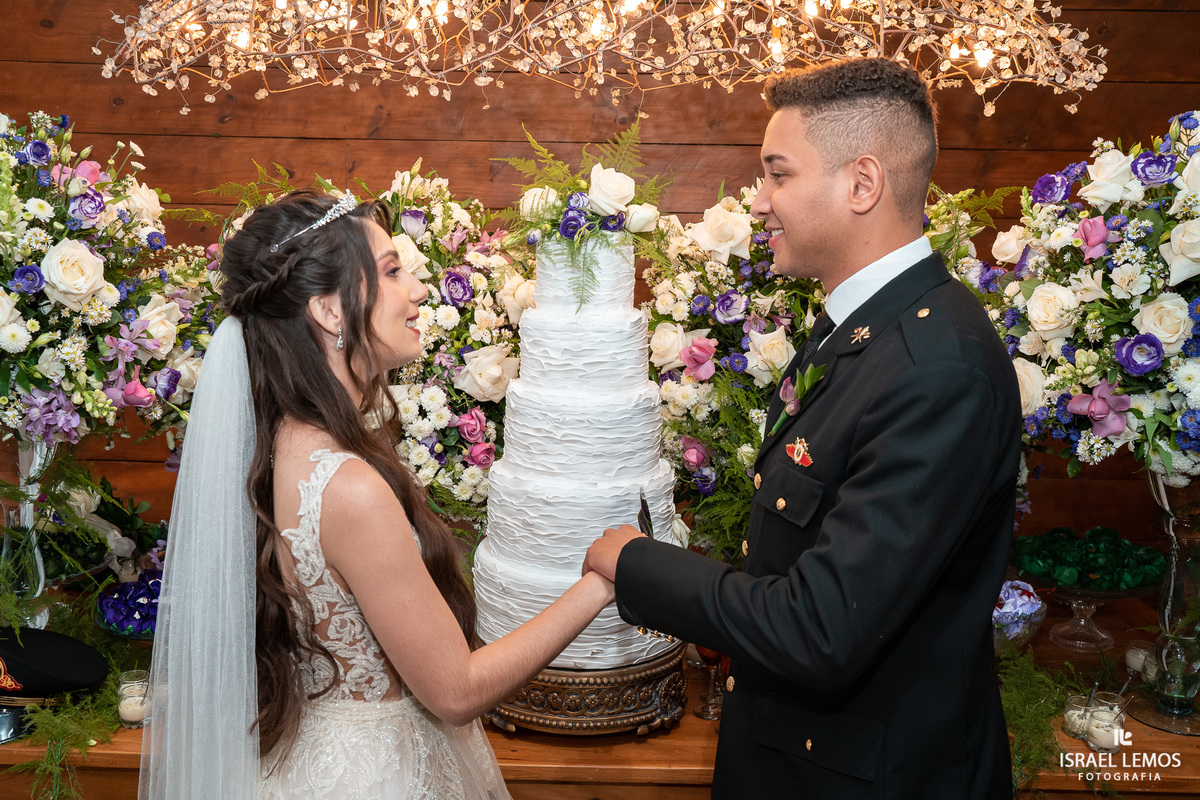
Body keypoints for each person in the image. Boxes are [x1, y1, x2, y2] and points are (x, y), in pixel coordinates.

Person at [584, 58, 1020, 799]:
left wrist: (636, 565)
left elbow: (821, 627)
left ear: (862, 183)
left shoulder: (934, 367)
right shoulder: (860, 330)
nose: (758, 202)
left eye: (777, 174)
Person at [140, 189, 616, 800]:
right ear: (331, 312)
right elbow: (456, 691)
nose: (418, 290)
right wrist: (601, 584)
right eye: (392, 271)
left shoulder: (278, 445)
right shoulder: (348, 486)